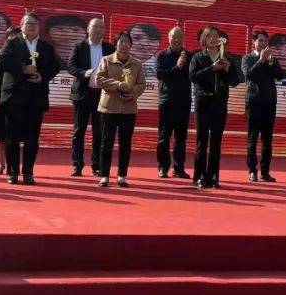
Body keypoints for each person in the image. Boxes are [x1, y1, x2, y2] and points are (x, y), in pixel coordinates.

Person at [0, 12, 60, 184]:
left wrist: (42, 76)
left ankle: (28, 172)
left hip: (36, 98)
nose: (31, 26)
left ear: (39, 28)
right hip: (14, 97)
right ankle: (12, 172)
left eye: (35, 24)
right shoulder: (12, 43)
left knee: (32, 138)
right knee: (12, 137)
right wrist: (23, 68)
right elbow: (1, 62)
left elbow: (55, 66)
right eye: (28, 23)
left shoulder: (46, 46)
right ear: (21, 26)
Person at [189, 25, 241, 189]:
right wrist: (212, 68)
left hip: (219, 103)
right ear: (204, 39)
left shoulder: (226, 57)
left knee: (216, 141)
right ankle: (199, 176)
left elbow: (235, 81)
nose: (213, 38)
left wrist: (228, 69)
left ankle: (213, 175)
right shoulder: (198, 57)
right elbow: (193, 77)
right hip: (203, 102)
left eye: (215, 36)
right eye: (209, 36)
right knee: (202, 140)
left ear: (220, 39)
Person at [66, 17, 116, 177]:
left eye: (101, 27)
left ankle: (97, 165)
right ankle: (77, 164)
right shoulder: (79, 46)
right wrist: (83, 73)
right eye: (95, 27)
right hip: (82, 94)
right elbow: (70, 66)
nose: (99, 30)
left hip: (101, 95)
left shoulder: (109, 48)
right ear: (88, 29)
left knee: (99, 132)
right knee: (78, 131)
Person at [94, 31, 145, 187]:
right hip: (109, 108)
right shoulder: (106, 60)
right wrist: (118, 85)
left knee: (125, 143)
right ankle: (104, 176)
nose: (124, 45)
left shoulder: (137, 63)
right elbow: (99, 79)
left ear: (131, 45)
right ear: (116, 44)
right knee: (106, 142)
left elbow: (141, 84)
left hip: (128, 109)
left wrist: (132, 93)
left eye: (127, 42)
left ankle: (122, 175)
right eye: (121, 42)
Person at [241, 29, 286, 182]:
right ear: (254, 42)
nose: (263, 44)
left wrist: (271, 62)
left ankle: (265, 172)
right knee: (253, 138)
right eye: (260, 41)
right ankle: (252, 170)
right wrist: (261, 60)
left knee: (267, 141)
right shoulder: (247, 58)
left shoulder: (271, 59)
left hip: (269, 102)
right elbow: (249, 74)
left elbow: (280, 76)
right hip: (254, 103)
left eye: (266, 41)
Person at [154, 26, 192, 179]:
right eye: (174, 37)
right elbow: (160, 74)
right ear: (169, 38)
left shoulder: (189, 56)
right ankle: (163, 167)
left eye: (180, 37)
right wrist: (177, 67)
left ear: (183, 39)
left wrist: (184, 65)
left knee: (181, 138)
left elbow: (193, 75)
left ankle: (179, 168)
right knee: (164, 137)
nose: (177, 40)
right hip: (167, 102)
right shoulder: (162, 55)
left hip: (183, 102)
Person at [0, 26, 22, 175]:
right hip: (2, 97)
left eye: (17, 37)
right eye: (11, 36)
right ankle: (1, 163)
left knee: (17, 134)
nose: (13, 39)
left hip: (20, 98)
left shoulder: (25, 55)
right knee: (1, 133)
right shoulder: (0, 54)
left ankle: (15, 165)